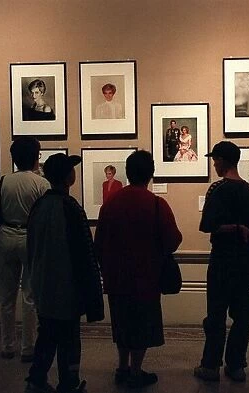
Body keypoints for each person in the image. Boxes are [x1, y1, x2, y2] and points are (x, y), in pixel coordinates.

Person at [95, 150, 182, 389]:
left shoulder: (110, 204)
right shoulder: (156, 204)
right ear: (151, 174)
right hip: (146, 276)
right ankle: (135, 371)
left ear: (128, 172)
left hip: (116, 277)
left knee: (121, 322)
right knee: (142, 325)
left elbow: (99, 242)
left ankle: (122, 367)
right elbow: (173, 240)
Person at [24, 153, 104, 393]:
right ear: (69, 177)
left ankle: (36, 380)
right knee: (69, 337)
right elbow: (84, 252)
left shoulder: (39, 206)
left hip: (43, 282)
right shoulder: (70, 208)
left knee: (47, 334)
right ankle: (68, 382)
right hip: (67, 284)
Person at [194, 141, 249, 383]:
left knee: (216, 316)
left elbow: (206, 226)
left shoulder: (217, 190)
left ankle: (210, 365)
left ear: (222, 160)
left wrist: (231, 228)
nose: (213, 163)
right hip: (244, 263)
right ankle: (236, 365)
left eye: (215, 159)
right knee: (242, 317)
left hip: (222, 261)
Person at [0, 136, 50, 361]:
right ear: (35, 157)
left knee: (6, 295)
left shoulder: (4, 181)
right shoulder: (41, 183)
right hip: (29, 237)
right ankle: (28, 347)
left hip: (5, 235)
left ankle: (7, 345)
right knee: (29, 295)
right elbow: (45, 214)